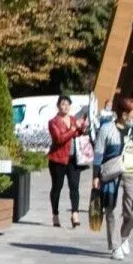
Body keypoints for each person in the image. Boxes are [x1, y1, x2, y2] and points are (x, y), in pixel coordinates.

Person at [95, 96, 133, 258]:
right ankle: (115, 246)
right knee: (112, 211)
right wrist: (96, 176)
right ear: (124, 114)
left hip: (132, 175)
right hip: (112, 175)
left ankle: (123, 237)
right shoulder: (107, 129)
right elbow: (98, 154)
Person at [45, 94, 89, 229]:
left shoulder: (73, 119)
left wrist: (83, 128)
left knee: (74, 187)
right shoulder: (53, 122)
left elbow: (77, 135)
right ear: (58, 106)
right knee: (57, 188)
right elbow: (59, 139)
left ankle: (75, 214)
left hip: (73, 159)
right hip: (58, 159)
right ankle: (55, 214)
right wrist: (73, 129)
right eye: (62, 104)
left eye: (67, 104)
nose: (65, 107)